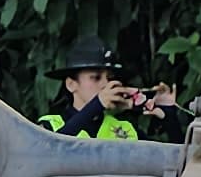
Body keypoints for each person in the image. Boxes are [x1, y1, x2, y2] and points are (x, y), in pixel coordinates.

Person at [43, 35, 173, 143]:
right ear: (71, 84)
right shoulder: (50, 125)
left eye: (110, 77)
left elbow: (178, 164)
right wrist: (97, 104)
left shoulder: (126, 130)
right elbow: (49, 151)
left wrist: (168, 115)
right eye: (96, 77)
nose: (106, 83)